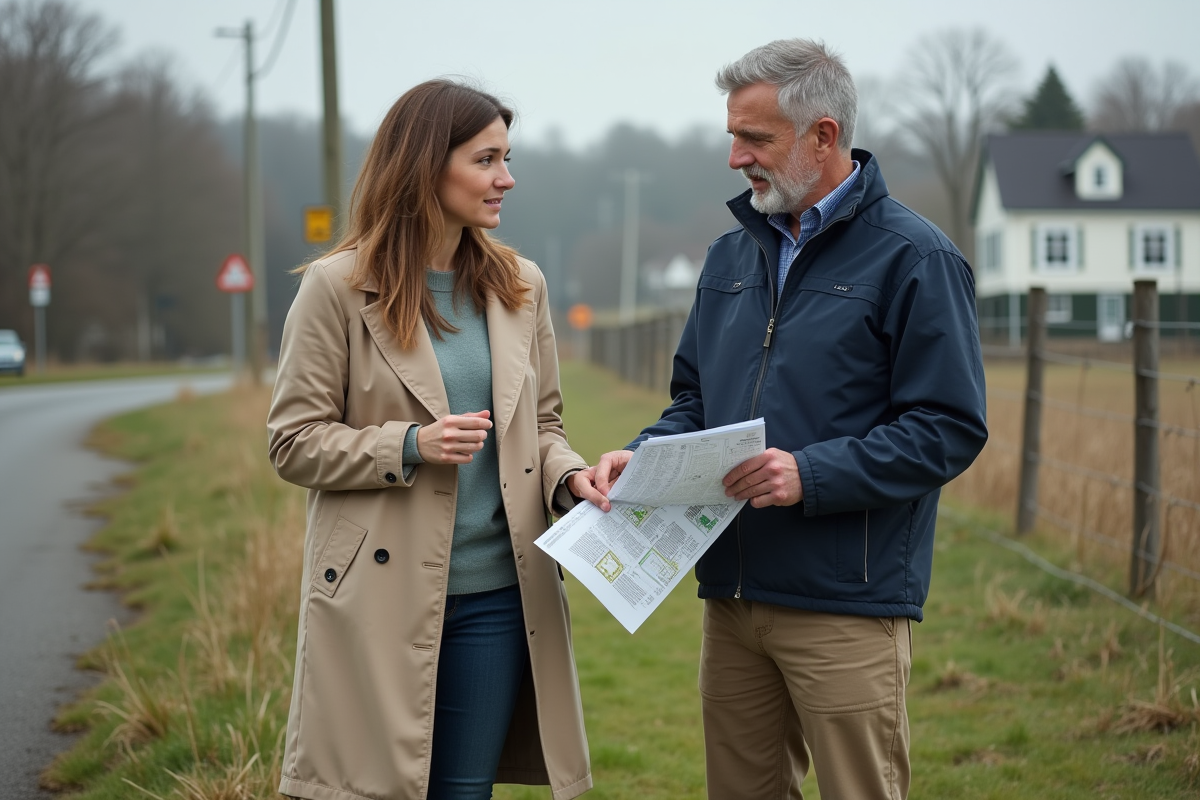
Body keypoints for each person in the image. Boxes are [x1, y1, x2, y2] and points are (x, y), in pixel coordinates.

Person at [572, 39, 988, 800]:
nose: (735, 157)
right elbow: (695, 400)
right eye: (732, 135)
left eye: (754, 138)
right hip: (730, 596)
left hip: (844, 603)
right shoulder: (730, 257)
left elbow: (948, 425)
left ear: (823, 136)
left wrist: (811, 474)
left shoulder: (915, 260)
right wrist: (644, 453)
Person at [268, 79, 595, 800]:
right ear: (425, 165)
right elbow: (292, 442)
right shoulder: (334, 288)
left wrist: (570, 479)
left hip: (500, 599)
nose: (506, 178)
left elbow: (543, 427)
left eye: (507, 158)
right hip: (376, 598)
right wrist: (408, 445)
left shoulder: (521, 285)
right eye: (486, 160)